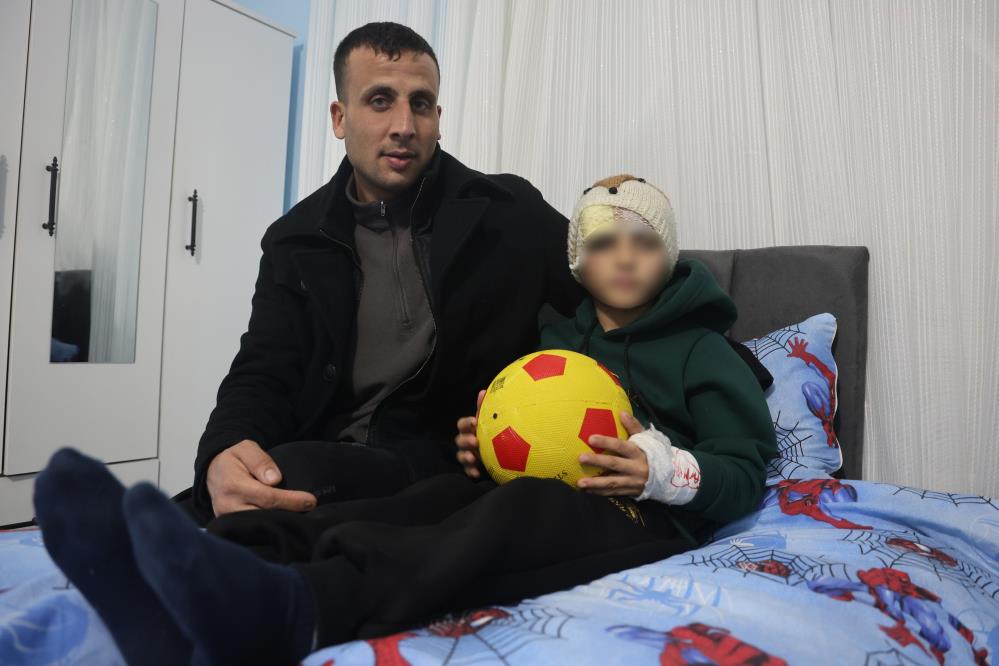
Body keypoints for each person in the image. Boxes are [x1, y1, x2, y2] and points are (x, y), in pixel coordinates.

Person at [31, 173, 777, 666]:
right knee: (429, 500)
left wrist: (661, 470)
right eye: (605, 242)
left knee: (514, 516)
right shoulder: (554, 340)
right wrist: (486, 443)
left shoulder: (701, 351)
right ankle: (205, 562)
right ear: (577, 260)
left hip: (641, 515)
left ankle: (296, 608)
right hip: (535, 484)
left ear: (670, 255)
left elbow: (743, 466)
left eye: (645, 241)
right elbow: (525, 424)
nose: (625, 256)